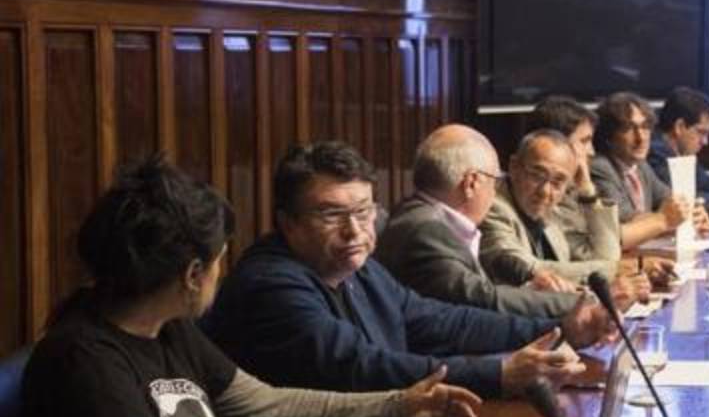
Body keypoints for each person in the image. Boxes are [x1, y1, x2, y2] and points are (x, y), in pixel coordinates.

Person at [15, 156, 483, 417]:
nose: (221, 273)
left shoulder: (170, 328)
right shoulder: (81, 353)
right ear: (193, 274)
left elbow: (265, 404)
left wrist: (396, 404)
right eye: (219, 260)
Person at [204, 141, 612, 402]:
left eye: (363, 211)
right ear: (288, 222)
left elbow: (441, 321)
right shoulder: (271, 284)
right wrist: (499, 374)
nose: (354, 231)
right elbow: (362, 367)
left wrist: (559, 328)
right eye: (331, 215)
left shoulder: (358, 268)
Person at [375, 125, 599, 319]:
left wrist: (530, 289)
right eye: (495, 180)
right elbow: (482, 300)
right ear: (472, 183)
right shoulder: (426, 230)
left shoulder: (423, 218)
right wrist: (585, 303)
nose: (495, 191)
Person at [527, 95, 666, 295]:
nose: (591, 152)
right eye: (585, 142)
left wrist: (586, 189)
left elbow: (607, 258)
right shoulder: (549, 198)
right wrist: (636, 264)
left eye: (646, 127)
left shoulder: (571, 192)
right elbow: (605, 258)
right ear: (557, 145)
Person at [480, 129, 621, 286]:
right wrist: (608, 269)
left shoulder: (553, 212)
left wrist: (587, 192)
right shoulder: (491, 206)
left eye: (558, 181)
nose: (545, 191)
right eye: (537, 176)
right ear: (514, 167)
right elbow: (528, 269)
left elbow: (605, 256)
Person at [590, 91, 709, 250]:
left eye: (645, 127)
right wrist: (672, 218)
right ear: (609, 136)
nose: (641, 138)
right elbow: (625, 220)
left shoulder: (641, 166)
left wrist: (692, 212)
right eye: (629, 129)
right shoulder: (600, 167)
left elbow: (671, 200)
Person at [647, 86, 709, 213]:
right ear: (680, 127)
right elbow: (684, 200)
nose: (705, 142)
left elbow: (707, 183)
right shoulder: (655, 153)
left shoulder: (683, 152)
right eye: (701, 132)